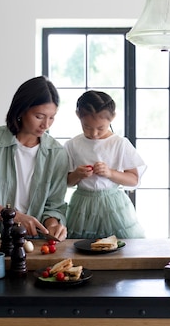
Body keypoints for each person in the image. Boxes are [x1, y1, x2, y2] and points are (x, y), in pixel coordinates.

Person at [0, 76, 69, 241]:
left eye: (52, 117)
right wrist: (16, 217)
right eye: (39, 116)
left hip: (33, 242)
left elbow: (54, 206)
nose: (46, 125)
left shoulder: (57, 153)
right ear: (21, 110)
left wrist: (53, 224)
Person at [64, 90, 146, 239]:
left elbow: (134, 179)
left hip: (113, 205)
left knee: (121, 247)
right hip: (82, 205)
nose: (94, 133)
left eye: (100, 128)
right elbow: (67, 182)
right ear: (78, 116)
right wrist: (77, 174)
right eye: (87, 127)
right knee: (81, 247)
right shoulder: (73, 145)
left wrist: (110, 173)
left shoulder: (119, 143)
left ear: (112, 118)